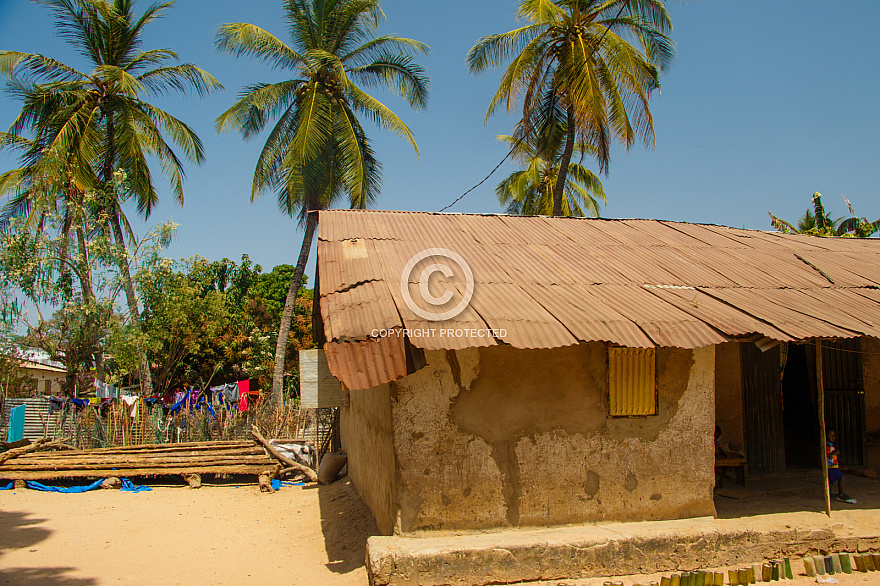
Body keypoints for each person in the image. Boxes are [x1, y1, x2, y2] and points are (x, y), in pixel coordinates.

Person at [826, 429, 857, 504]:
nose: (833, 437)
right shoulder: (826, 446)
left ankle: (828, 495)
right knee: (841, 477)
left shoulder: (832, 445)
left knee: (831, 481)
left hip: (834, 466)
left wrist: (843, 463)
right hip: (830, 466)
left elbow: (836, 457)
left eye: (834, 436)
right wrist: (834, 453)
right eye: (831, 436)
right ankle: (841, 493)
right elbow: (826, 455)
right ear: (826, 436)